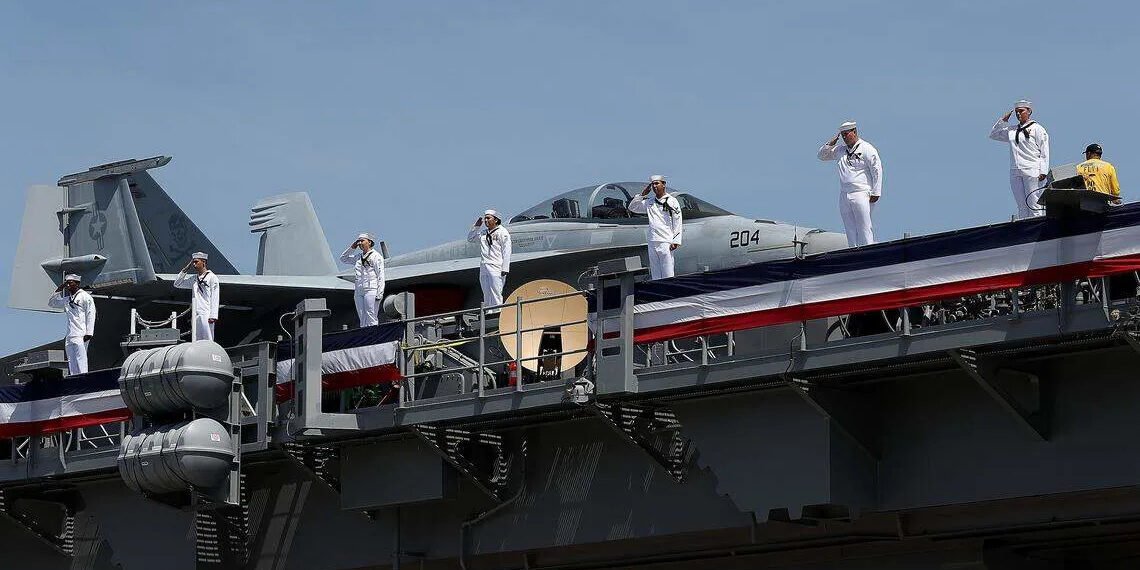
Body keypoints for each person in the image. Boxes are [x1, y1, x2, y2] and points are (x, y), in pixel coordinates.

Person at [817, 121, 883, 247]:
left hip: (861, 192)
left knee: (864, 226)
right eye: (842, 135)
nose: (845, 137)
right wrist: (830, 143)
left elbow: (877, 170)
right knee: (850, 228)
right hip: (845, 193)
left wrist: (876, 192)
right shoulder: (840, 150)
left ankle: (868, 250)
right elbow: (821, 156)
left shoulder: (867, 149)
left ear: (854, 132)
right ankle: (853, 250)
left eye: (847, 134)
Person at [989, 100, 1050, 218]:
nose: (1018, 114)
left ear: (1029, 111)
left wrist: (1043, 171)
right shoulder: (1012, 130)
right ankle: (1025, 228)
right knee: (1021, 204)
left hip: (1032, 168)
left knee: (1034, 202)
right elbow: (994, 134)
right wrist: (1003, 121)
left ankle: (1037, 224)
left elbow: (1044, 151)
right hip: (1015, 169)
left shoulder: (1037, 128)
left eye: (1021, 111)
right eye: (1017, 112)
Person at [628, 174, 683, 279]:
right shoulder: (650, 202)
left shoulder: (672, 201)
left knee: (668, 271)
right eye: (653, 184)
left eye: (657, 183)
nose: (654, 186)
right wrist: (642, 195)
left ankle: (669, 291)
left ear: (664, 185)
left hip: (666, 240)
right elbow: (633, 207)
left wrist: (676, 240)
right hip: (652, 240)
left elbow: (677, 220)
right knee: (655, 271)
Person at [47, 273, 96, 376]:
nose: (68, 285)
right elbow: (52, 303)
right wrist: (59, 289)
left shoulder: (85, 297)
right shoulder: (67, 299)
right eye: (67, 283)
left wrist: (89, 333)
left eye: (70, 283)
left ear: (77, 283)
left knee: (81, 359)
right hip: (70, 335)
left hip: (81, 334)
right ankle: (74, 378)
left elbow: (91, 314)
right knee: (71, 361)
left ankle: (83, 378)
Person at [467, 209, 512, 309]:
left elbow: (507, 250)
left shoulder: (502, 232)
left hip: (496, 266)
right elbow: (470, 238)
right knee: (486, 292)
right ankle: (488, 312)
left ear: (495, 220)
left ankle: (497, 312)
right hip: (484, 265)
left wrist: (505, 268)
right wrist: (476, 227)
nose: (486, 220)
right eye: (485, 218)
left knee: (496, 291)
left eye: (488, 218)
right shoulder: (484, 233)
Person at [340, 232, 386, 327]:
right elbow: (343, 258)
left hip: (371, 289)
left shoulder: (376, 256)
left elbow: (381, 275)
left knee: (371, 315)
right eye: (358, 241)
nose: (360, 243)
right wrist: (352, 248)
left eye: (362, 240)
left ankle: (373, 335)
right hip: (359, 290)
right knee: (362, 317)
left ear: (369, 242)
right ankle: (365, 337)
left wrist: (380, 292)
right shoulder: (358, 257)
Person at [173, 252, 220, 341]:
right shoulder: (194, 279)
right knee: (196, 340)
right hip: (196, 314)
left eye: (196, 262)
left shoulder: (212, 277)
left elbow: (215, 296)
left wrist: (213, 315)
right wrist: (185, 269)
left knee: (208, 339)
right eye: (193, 262)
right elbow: (177, 284)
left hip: (206, 313)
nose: (194, 264)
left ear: (203, 262)